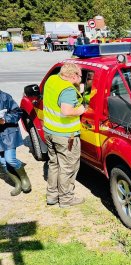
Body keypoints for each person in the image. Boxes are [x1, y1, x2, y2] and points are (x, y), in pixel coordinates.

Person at [42, 63, 87, 208]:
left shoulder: (53, 80)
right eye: (80, 76)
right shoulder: (68, 90)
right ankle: (66, 199)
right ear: (73, 76)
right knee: (67, 167)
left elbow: (56, 95)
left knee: (54, 164)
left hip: (49, 131)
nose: (82, 78)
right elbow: (66, 111)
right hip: (65, 136)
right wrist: (80, 109)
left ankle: (52, 196)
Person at [0, 90, 31, 196]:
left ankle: (24, 178)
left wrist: (4, 119)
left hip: (8, 134)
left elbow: (17, 112)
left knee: (10, 159)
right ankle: (17, 183)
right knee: (3, 161)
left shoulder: (5, 97)